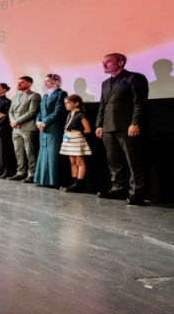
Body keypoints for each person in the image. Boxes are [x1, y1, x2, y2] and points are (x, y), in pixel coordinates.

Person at [95, 53, 149, 205]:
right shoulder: (105, 83)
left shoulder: (134, 78)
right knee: (114, 160)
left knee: (133, 161)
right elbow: (102, 105)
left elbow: (139, 103)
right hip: (108, 127)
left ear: (121, 62)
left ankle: (137, 192)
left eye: (108, 62)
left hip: (127, 126)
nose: (104, 65)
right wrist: (99, 124)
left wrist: (135, 123)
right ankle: (118, 188)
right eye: (103, 63)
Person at [33, 74, 67, 188]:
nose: (45, 83)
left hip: (53, 127)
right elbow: (40, 111)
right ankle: (43, 180)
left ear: (55, 81)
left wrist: (45, 122)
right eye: (45, 81)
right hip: (42, 128)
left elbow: (58, 111)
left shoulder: (61, 94)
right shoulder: (45, 96)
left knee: (52, 153)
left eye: (48, 81)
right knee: (43, 153)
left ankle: (53, 181)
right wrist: (38, 122)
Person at [8, 76, 42, 183]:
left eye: (22, 82)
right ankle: (20, 172)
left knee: (29, 152)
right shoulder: (15, 97)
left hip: (27, 127)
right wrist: (13, 122)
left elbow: (32, 111)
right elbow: (10, 112)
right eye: (18, 82)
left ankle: (32, 174)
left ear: (29, 84)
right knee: (18, 152)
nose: (19, 84)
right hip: (16, 129)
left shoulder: (34, 95)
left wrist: (17, 121)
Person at [59, 95, 93, 192]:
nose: (66, 105)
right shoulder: (70, 114)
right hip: (68, 138)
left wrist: (77, 133)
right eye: (65, 104)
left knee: (79, 162)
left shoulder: (81, 114)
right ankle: (73, 182)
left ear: (76, 103)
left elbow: (88, 129)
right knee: (72, 162)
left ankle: (79, 183)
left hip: (76, 138)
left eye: (68, 103)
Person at [0, 83, 17, 179]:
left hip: (2, 127)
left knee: (1, 149)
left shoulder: (8, 102)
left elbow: (6, 116)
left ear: (5, 89)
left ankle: (2, 171)